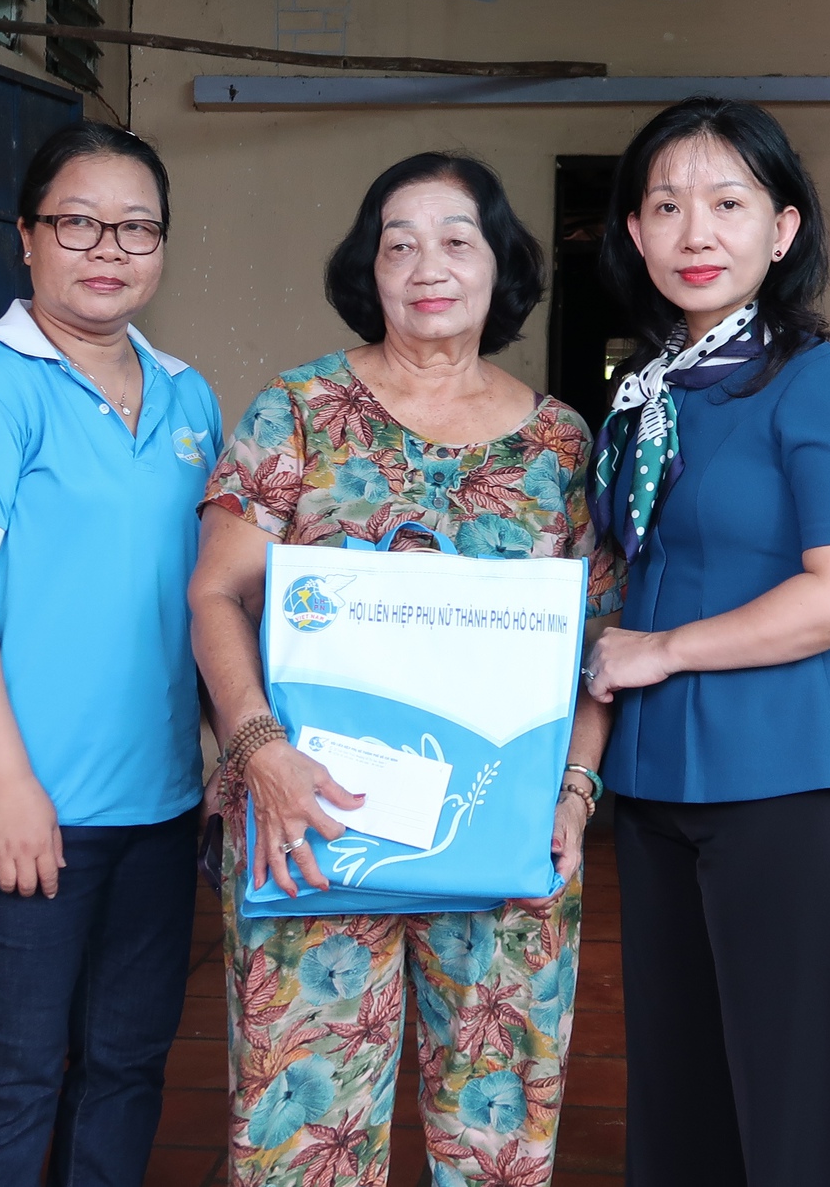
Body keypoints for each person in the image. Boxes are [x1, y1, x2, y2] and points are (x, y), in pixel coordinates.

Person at [187, 152, 618, 1185]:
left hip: (503, 831)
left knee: (498, 1144)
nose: (429, 265)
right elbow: (213, 597)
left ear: (500, 265)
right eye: (399, 243)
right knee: (304, 1143)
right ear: (367, 269)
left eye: (457, 239)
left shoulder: (561, 443)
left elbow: (597, 641)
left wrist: (574, 788)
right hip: (312, 823)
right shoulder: (297, 409)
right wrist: (260, 752)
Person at [576, 99, 830, 1185]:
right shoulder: (641, 394)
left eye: (728, 203)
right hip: (655, 783)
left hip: (785, 780)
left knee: (803, 1102)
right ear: (635, 233)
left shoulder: (823, 383)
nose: (696, 232)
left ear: (783, 229)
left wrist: (663, 651)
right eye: (666, 207)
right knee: (684, 1097)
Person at [0, 121, 220, 1185]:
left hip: (157, 807)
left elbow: (204, 593)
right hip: (19, 805)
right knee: (11, 1076)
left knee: (125, 1065)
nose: (108, 249)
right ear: (26, 237)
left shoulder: (189, 396)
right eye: (78, 223)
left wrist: (216, 755)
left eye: (136, 227)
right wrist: (9, 785)